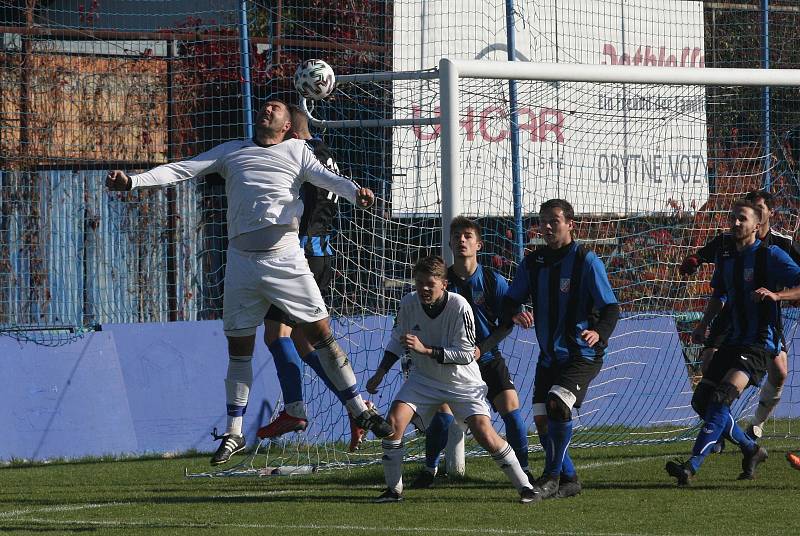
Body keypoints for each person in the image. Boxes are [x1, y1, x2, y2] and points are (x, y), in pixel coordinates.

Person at [105, 99, 392, 467]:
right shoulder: (232, 151)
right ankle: (234, 432)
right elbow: (182, 169)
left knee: (320, 334)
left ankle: (358, 408)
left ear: (288, 124)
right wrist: (133, 182)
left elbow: (329, 179)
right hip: (241, 262)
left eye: (275, 108)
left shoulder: (299, 151)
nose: (266, 111)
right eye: (264, 107)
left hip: (286, 258)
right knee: (239, 348)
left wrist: (356, 192)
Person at [365, 256, 537, 503]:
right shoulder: (408, 304)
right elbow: (396, 340)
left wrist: (426, 350)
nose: (424, 288)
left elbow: (467, 353)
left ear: (444, 284)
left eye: (430, 284)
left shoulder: (460, 306)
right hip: (423, 378)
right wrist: (381, 372)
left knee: (485, 433)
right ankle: (394, 490)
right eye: (419, 283)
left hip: (461, 381)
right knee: (393, 424)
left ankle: (525, 487)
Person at [256, 105, 371, 452]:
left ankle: (295, 410)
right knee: (307, 343)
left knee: (277, 335)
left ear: (289, 129)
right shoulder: (324, 152)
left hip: (301, 255)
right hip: (320, 252)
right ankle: (356, 407)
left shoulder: (299, 153)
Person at [667, 199, 800, 485]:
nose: (736, 223)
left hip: (759, 344)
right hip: (732, 340)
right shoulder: (727, 257)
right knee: (701, 401)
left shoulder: (771, 256)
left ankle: (690, 466)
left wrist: (778, 296)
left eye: (742, 218)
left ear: (757, 225)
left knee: (721, 398)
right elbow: (720, 295)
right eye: (733, 218)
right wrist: (704, 324)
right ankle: (751, 449)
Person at [503, 198, 620, 500]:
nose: (547, 226)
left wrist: (599, 332)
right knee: (542, 419)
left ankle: (551, 477)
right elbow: (510, 300)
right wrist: (515, 311)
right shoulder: (533, 262)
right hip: (548, 358)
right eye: (543, 220)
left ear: (570, 224)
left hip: (582, 354)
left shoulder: (586, 260)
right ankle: (569, 478)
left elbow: (610, 308)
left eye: (554, 220)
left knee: (557, 403)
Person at [410, 216, 530, 489]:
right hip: (450, 364)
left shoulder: (492, 280)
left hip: (487, 358)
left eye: (467, 236)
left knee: (512, 410)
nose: (461, 240)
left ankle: (524, 471)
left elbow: (507, 323)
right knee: (443, 417)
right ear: (450, 243)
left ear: (479, 244)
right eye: (456, 236)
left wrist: (482, 348)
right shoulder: (441, 282)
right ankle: (430, 469)